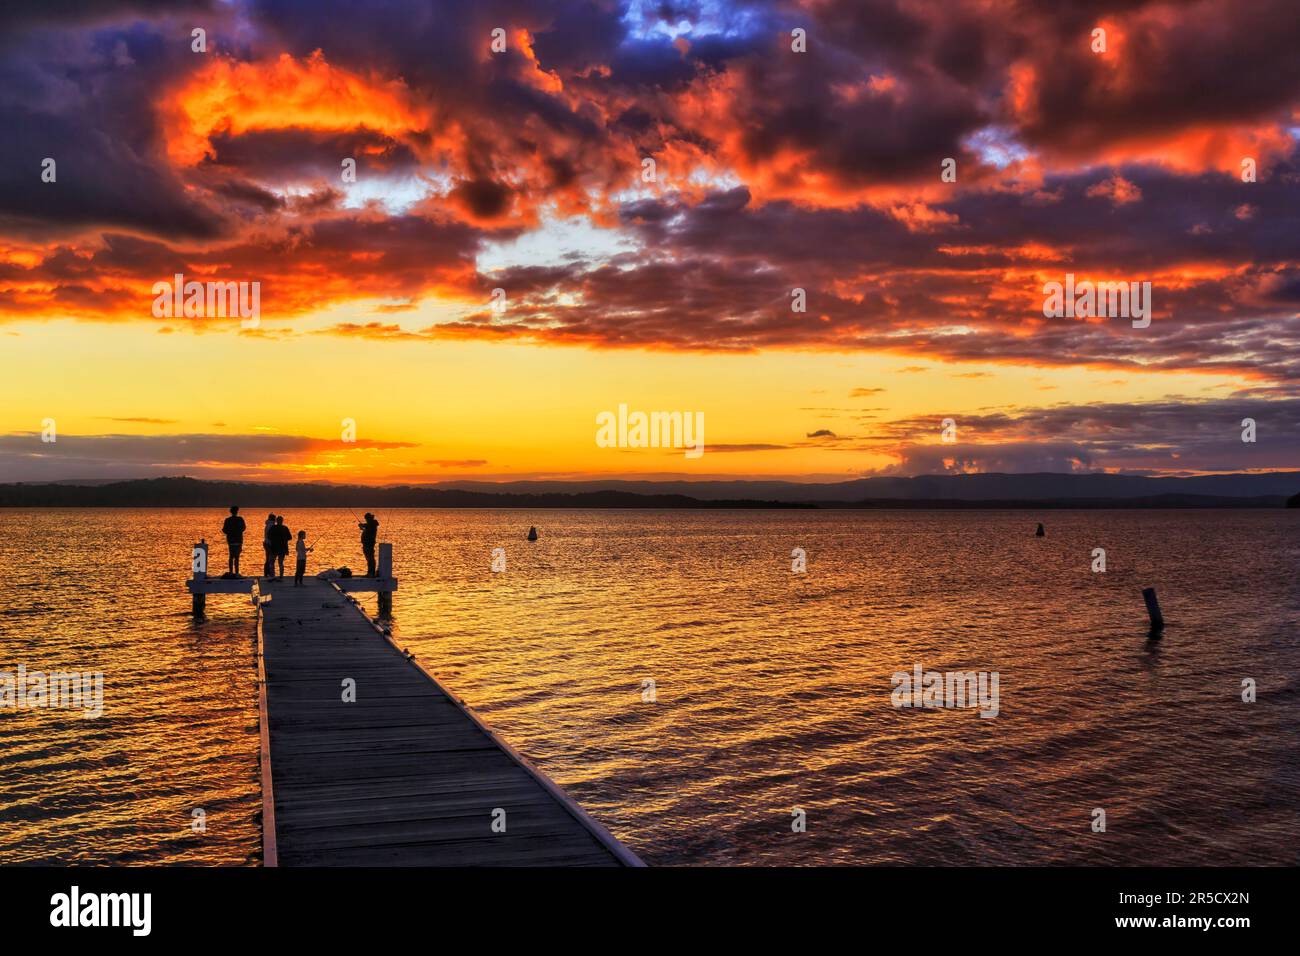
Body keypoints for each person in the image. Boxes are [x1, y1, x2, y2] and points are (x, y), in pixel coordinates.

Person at [221, 505, 246, 575]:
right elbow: (244, 528)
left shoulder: (227, 520)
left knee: (231, 557)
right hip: (238, 541)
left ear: (231, 512)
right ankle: (237, 572)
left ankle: (231, 572)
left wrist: (230, 532)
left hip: (231, 541)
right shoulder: (240, 519)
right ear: (237, 511)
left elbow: (224, 530)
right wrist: (238, 531)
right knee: (237, 557)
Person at [272, 515, 291, 580]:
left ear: (276, 521)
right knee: (280, 562)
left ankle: (273, 575)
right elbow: (290, 537)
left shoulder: (273, 528)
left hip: (274, 548)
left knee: (272, 561)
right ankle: (281, 576)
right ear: (282, 521)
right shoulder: (285, 528)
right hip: (283, 548)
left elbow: (269, 536)